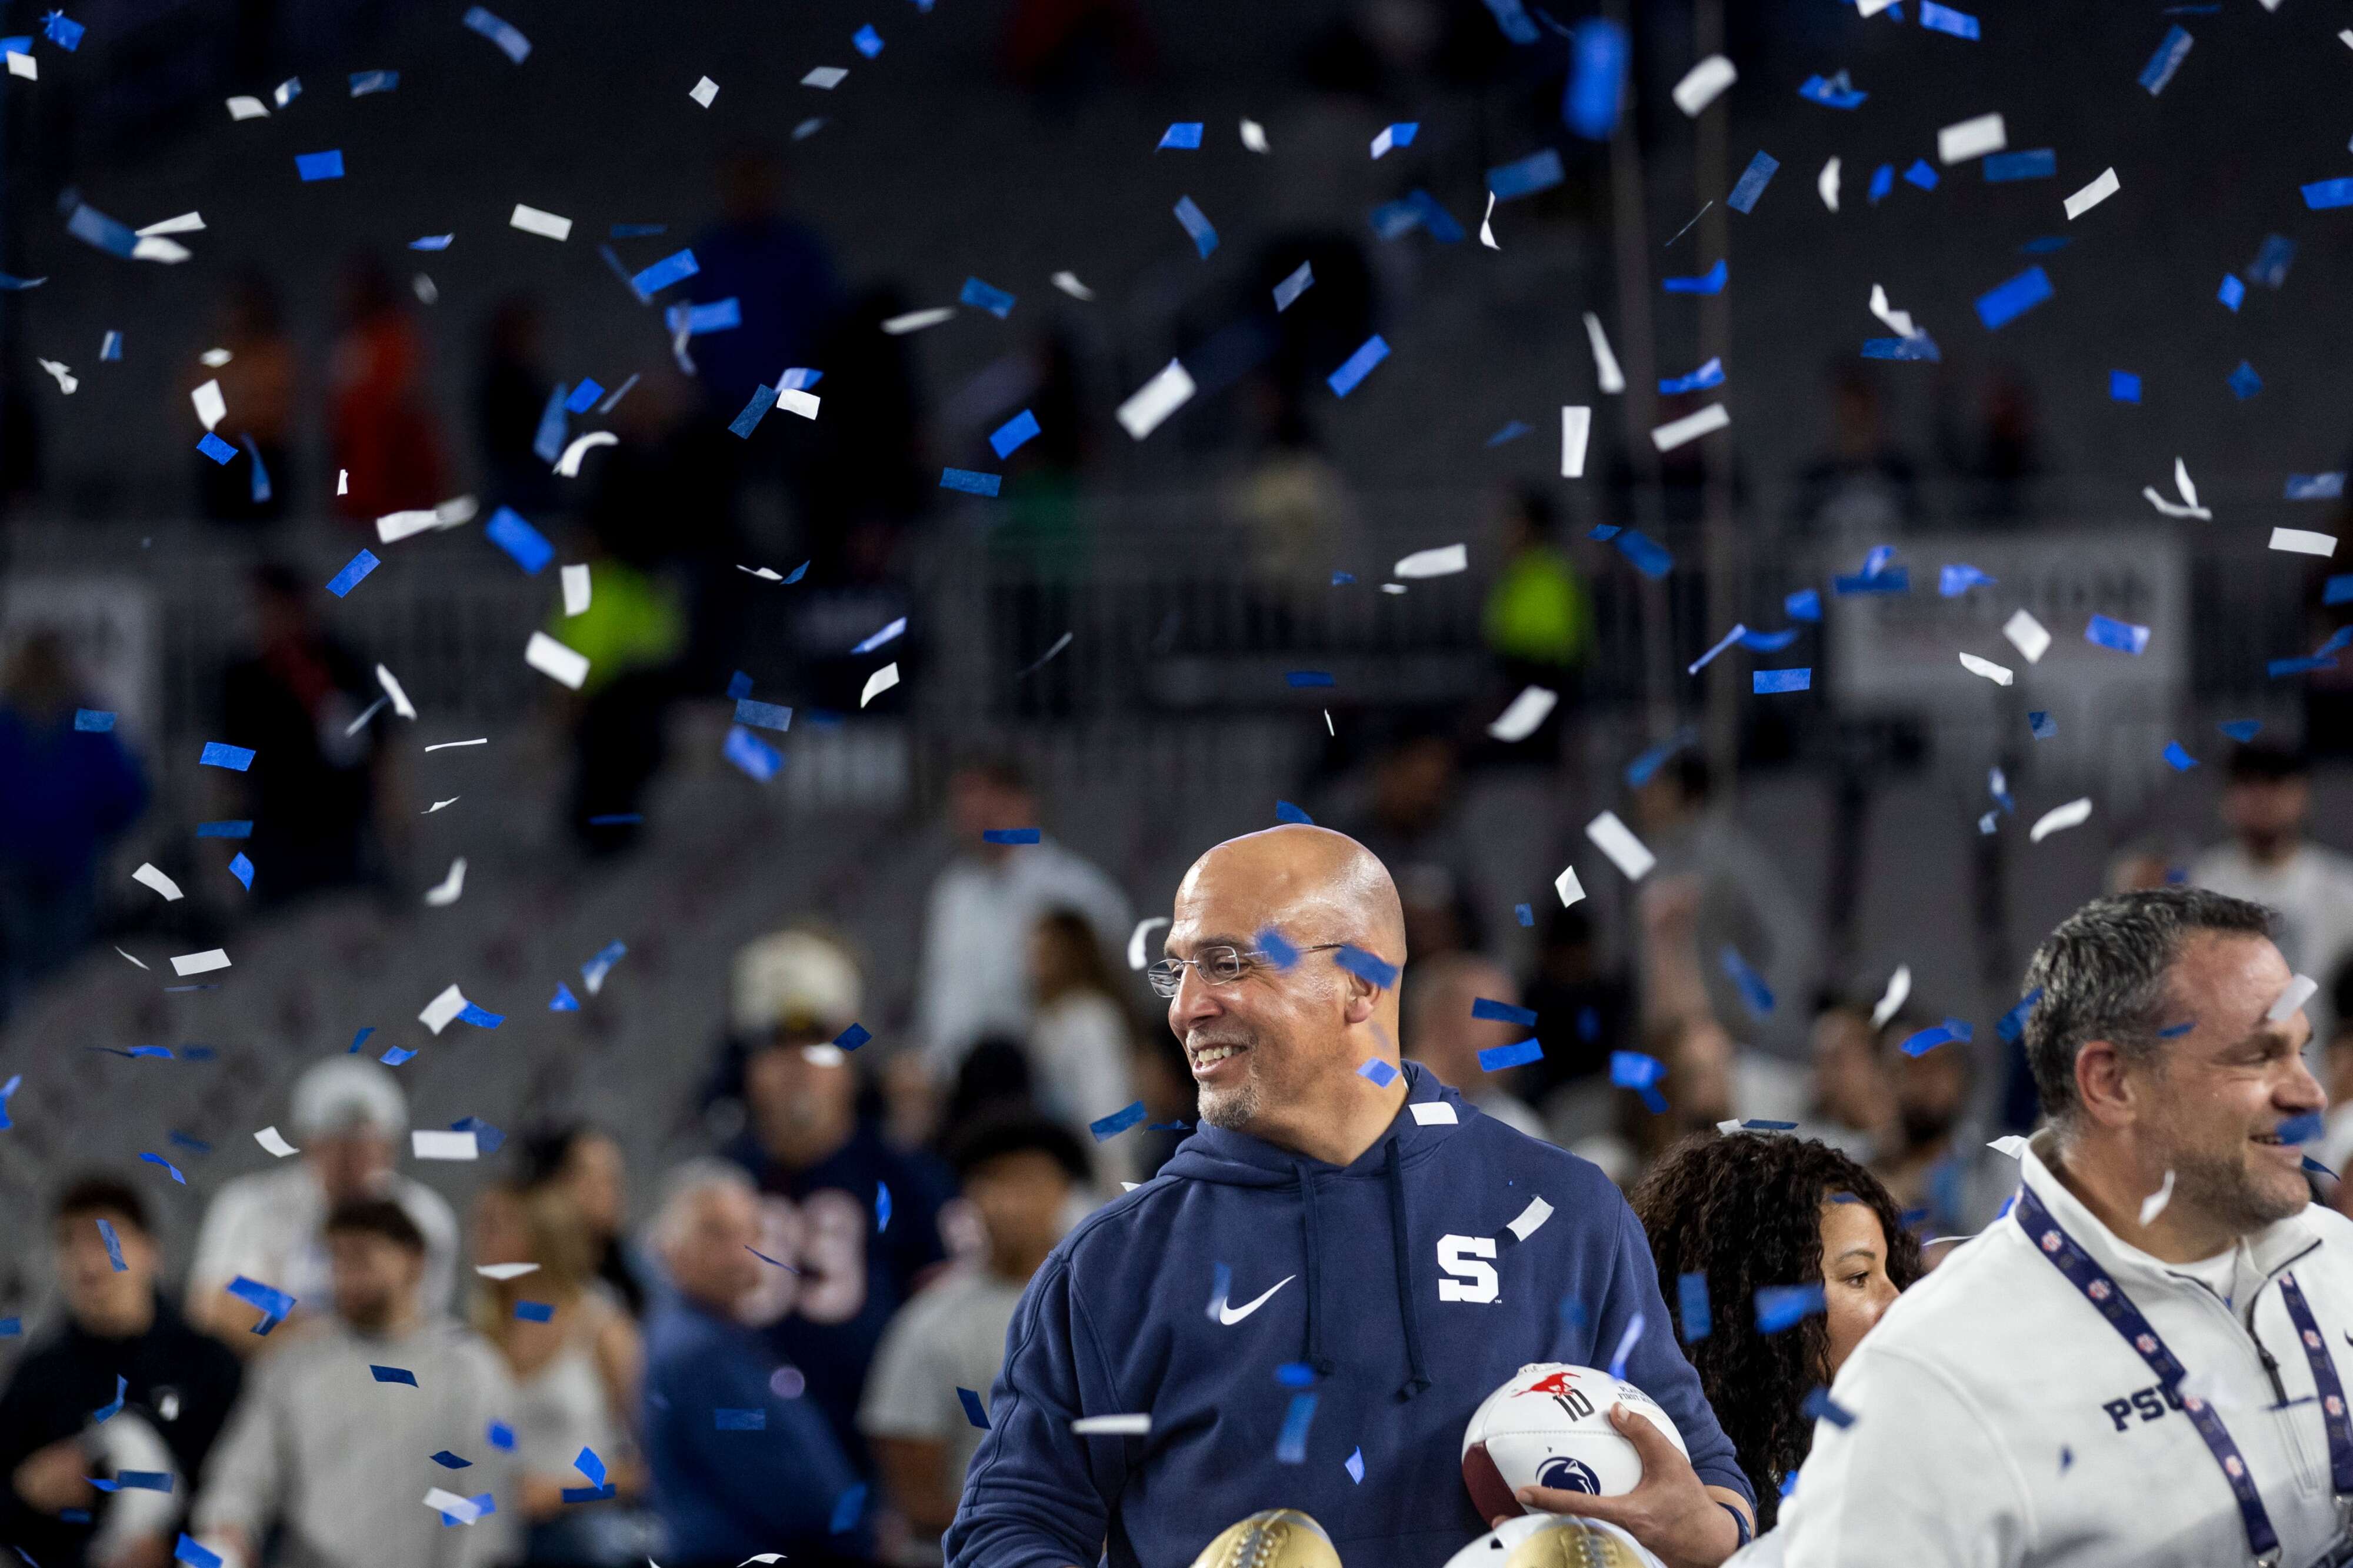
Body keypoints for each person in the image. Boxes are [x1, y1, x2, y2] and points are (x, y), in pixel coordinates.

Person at [944, 825, 1755, 1568]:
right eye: (1179, 967)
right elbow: (1008, 1527)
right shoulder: (1113, 1262)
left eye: (1228, 963)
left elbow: (1707, 1483)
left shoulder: (1563, 1209)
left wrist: (1707, 1530)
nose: (1187, 1006)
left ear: (1361, 982)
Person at [1775, 887, 2353, 1565]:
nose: (2310, 1094)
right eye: (2258, 1056)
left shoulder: (2339, 1257)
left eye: (2301, 1050)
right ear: (2111, 1082)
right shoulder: (1927, 1379)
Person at [718, 931, 955, 1473]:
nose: (797, 1065)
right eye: (775, 1046)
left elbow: (950, 1329)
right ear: (748, 1069)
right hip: (746, 1457)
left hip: (874, 1457)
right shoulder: (721, 1183)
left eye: (818, 1043)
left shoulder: (909, 1179)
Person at [190, 1198, 521, 1568]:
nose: (346, 1275)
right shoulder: (293, 1362)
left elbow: (486, 1502)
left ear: (415, 1262)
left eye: (362, 1258)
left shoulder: (471, 1369)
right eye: (337, 1258)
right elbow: (243, 1475)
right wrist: (225, 1535)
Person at [1628, 1133, 1919, 1534]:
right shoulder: (1667, 1469)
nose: (1897, 1300)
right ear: (1757, 1297)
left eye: (1891, 1273)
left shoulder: (1891, 1449)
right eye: (1858, 1277)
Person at [861, 1115, 1091, 1565]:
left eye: (1029, 1181)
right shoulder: (926, 1327)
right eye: (992, 1182)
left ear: (1064, 1191)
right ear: (968, 1198)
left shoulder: (1115, 1306)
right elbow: (914, 1499)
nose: (1010, 1203)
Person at [1, 1176, 242, 1568]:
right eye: (68, 1242)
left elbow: (244, 1496)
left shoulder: (209, 1365)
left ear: (151, 1251)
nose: (87, 1261)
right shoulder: (38, 1376)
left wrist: (171, 1545)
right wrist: (27, 1490)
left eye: (104, 1240)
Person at [640, 1162, 865, 1568]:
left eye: (752, 1231)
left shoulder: (720, 1334)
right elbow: (783, 1483)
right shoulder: (700, 1355)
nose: (741, 1252)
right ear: (670, 1246)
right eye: (716, 1233)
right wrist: (861, 1531)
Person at [186, 1057, 459, 1349]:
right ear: (309, 1144)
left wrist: (281, 1314)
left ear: (391, 1147)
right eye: (338, 1146)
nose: (352, 1164)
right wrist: (329, 1323)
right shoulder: (250, 1204)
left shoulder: (424, 1217)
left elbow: (412, 1326)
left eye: (366, 1148)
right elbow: (217, 1306)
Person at [469, 1183, 652, 1568]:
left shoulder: (601, 1330)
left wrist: (562, 1494)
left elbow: (649, 1468)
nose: (479, 1238)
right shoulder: (483, 1332)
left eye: (495, 1225)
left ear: (540, 1236)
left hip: (583, 1526)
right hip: (500, 1528)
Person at [915, 757, 1130, 1077]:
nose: (972, 817)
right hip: (961, 1082)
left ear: (1022, 803)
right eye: (963, 806)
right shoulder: (953, 894)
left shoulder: (1078, 891)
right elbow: (942, 995)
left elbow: (1114, 987)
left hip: (1051, 1079)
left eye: (984, 803)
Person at [1630, 755, 1821, 1072]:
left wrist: (1751, 1021)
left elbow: (1793, 941)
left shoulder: (1727, 858)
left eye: (1653, 786)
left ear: (1681, 790)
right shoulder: (1656, 860)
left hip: (1719, 1042)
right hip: (1667, 1042)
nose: (1642, 796)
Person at [216, 565, 393, 903]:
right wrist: (224, 824)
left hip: (341, 821)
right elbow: (226, 757)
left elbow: (379, 741)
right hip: (272, 827)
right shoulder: (243, 676)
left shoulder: (341, 662)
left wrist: (391, 803)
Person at [0, 630, 147, 1022]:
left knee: (52, 972)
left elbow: (126, 788)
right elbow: (127, 789)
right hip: (26, 868)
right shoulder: (10, 720)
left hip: (66, 867)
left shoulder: (85, 717)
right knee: (40, 970)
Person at [2191, 742, 2353, 1047]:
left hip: (2321, 1077)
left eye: (2276, 783)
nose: (2262, 798)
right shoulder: (2198, 890)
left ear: (2303, 795)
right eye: (2248, 784)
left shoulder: (2344, 892)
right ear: (2226, 799)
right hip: (2227, 1074)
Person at [1868, 1009, 2013, 1252]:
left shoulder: (1995, 1172)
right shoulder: (1852, 1165)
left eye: (1939, 1067)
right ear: (1882, 1080)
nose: (1926, 1081)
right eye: (1911, 1067)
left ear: (1962, 1080)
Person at [329, 252, 449, 522]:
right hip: (357, 475)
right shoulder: (348, 340)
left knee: (399, 554)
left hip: (396, 473)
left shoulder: (396, 336)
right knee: (359, 560)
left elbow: (400, 400)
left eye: (354, 287)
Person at [1024, 909, 1141, 1173]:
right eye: (1032, 953)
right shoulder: (1045, 1021)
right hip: (1065, 1156)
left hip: (1100, 1158)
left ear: (1071, 955)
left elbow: (1108, 1101)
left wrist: (1115, 1166)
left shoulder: (1091, 1018)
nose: (1034, 964)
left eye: (1046, 953)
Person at [186, 269, 295, 523]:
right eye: (233, 306)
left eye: (245, 306)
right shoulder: (208, 360)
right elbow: (192, 417)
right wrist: (227, 458)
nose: (238, 315)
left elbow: (278, 412)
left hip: (264, 459)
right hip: (220, 466)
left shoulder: (274, 355)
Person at [1402, 952, 1548, 1140]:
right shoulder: (1377, 1097)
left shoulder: (1512, 1122)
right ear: (1448, 1017)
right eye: (1501, 1017)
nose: (1511, 1034)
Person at [516, 1125, 650, 1319]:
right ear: (556, 1185)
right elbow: (515, 1321)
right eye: (604, 1179)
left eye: (617, 1180)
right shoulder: (523, 1264)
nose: (616, 1193)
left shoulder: (635, 1269)